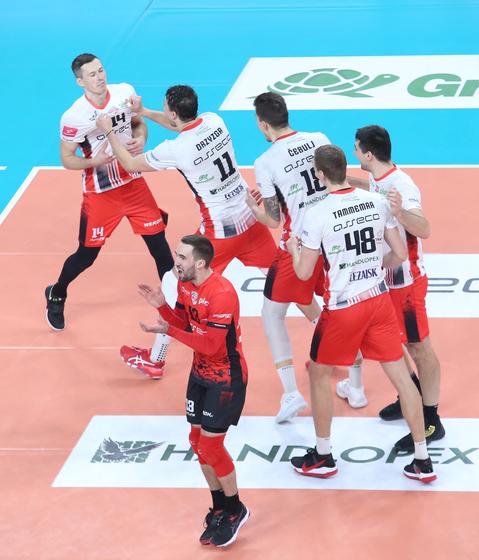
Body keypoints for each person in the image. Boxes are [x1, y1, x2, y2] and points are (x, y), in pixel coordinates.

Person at [96, 85, 276, 378]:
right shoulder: (215, 121)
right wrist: (143, 112)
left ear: (171, 112)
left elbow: (129, 163)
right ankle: (334, 337)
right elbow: (179, 125)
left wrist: (109, 132)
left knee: (173, 283)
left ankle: (156, 360)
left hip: (219, 234)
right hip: (251, 217)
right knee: (287, 279)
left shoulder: (175, 149)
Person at [287, 144, 436, 483]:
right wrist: (371, 268)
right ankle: (423, 460)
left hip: (344, 308)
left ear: (320, 174)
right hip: (379, 302)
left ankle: (323, 455)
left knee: (319, 373)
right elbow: (400, 254)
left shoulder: (316, 213)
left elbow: (303, 273)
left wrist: (295, 250)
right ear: (345, 169)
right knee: (403, 378)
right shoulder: (376, 201)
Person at [45, 54, 174, 331]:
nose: (100, 77)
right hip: (101, 193)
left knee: (159, 247)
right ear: (80, 82)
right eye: (92, 74)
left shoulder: (124, 92)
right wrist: (94, 161)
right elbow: (67, 158)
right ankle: (57, 292)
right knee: (86, 256)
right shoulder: (74, 116)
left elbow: (138, 123)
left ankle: (176, 305)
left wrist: (141, 138)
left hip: (134, 183)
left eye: (101, 70)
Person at [138, 234, 250, 547]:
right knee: (197, 443)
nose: (176, 261)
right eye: (177, 255)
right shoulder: (185, 285)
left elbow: (212, 345)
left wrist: (170, 330)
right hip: (199, 375)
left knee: (212, 447)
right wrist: (162, 307)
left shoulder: (222, 294)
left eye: (182, 257)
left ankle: (236, 508)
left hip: (226, 378)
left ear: (200, 263)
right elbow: (185, 324)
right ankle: (219, 507)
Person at [346, 125, 444, 453]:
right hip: (385, 279)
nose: (354, 153)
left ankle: (431, 419)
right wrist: (344, 182)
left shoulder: (401, 185)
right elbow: (375, 191)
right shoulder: (379, 176)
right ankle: (409, 395)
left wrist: (400, 212)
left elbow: (424, 228)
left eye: (356, 149)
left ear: (368, 154)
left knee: (419, 348)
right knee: (391, 341)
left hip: (407, 283)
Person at [246, 92, 332, 423]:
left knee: (271, 314)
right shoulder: (319, 139)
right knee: (313, 298)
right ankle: (350, 375)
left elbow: (273, 219)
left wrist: (253, 209)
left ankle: (291, 393)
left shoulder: (265, 161)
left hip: (300, 243)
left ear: (262, 124)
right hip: (333, 236)